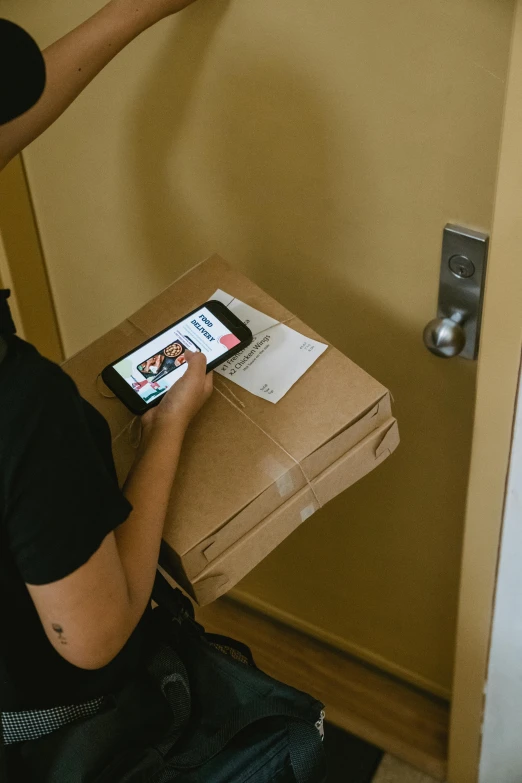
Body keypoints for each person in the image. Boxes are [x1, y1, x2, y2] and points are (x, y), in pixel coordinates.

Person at [0, 0, 212, 763]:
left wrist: (134, 13)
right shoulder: (22, 406)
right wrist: (167, 432)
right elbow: (93, 637)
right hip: (37, 718)